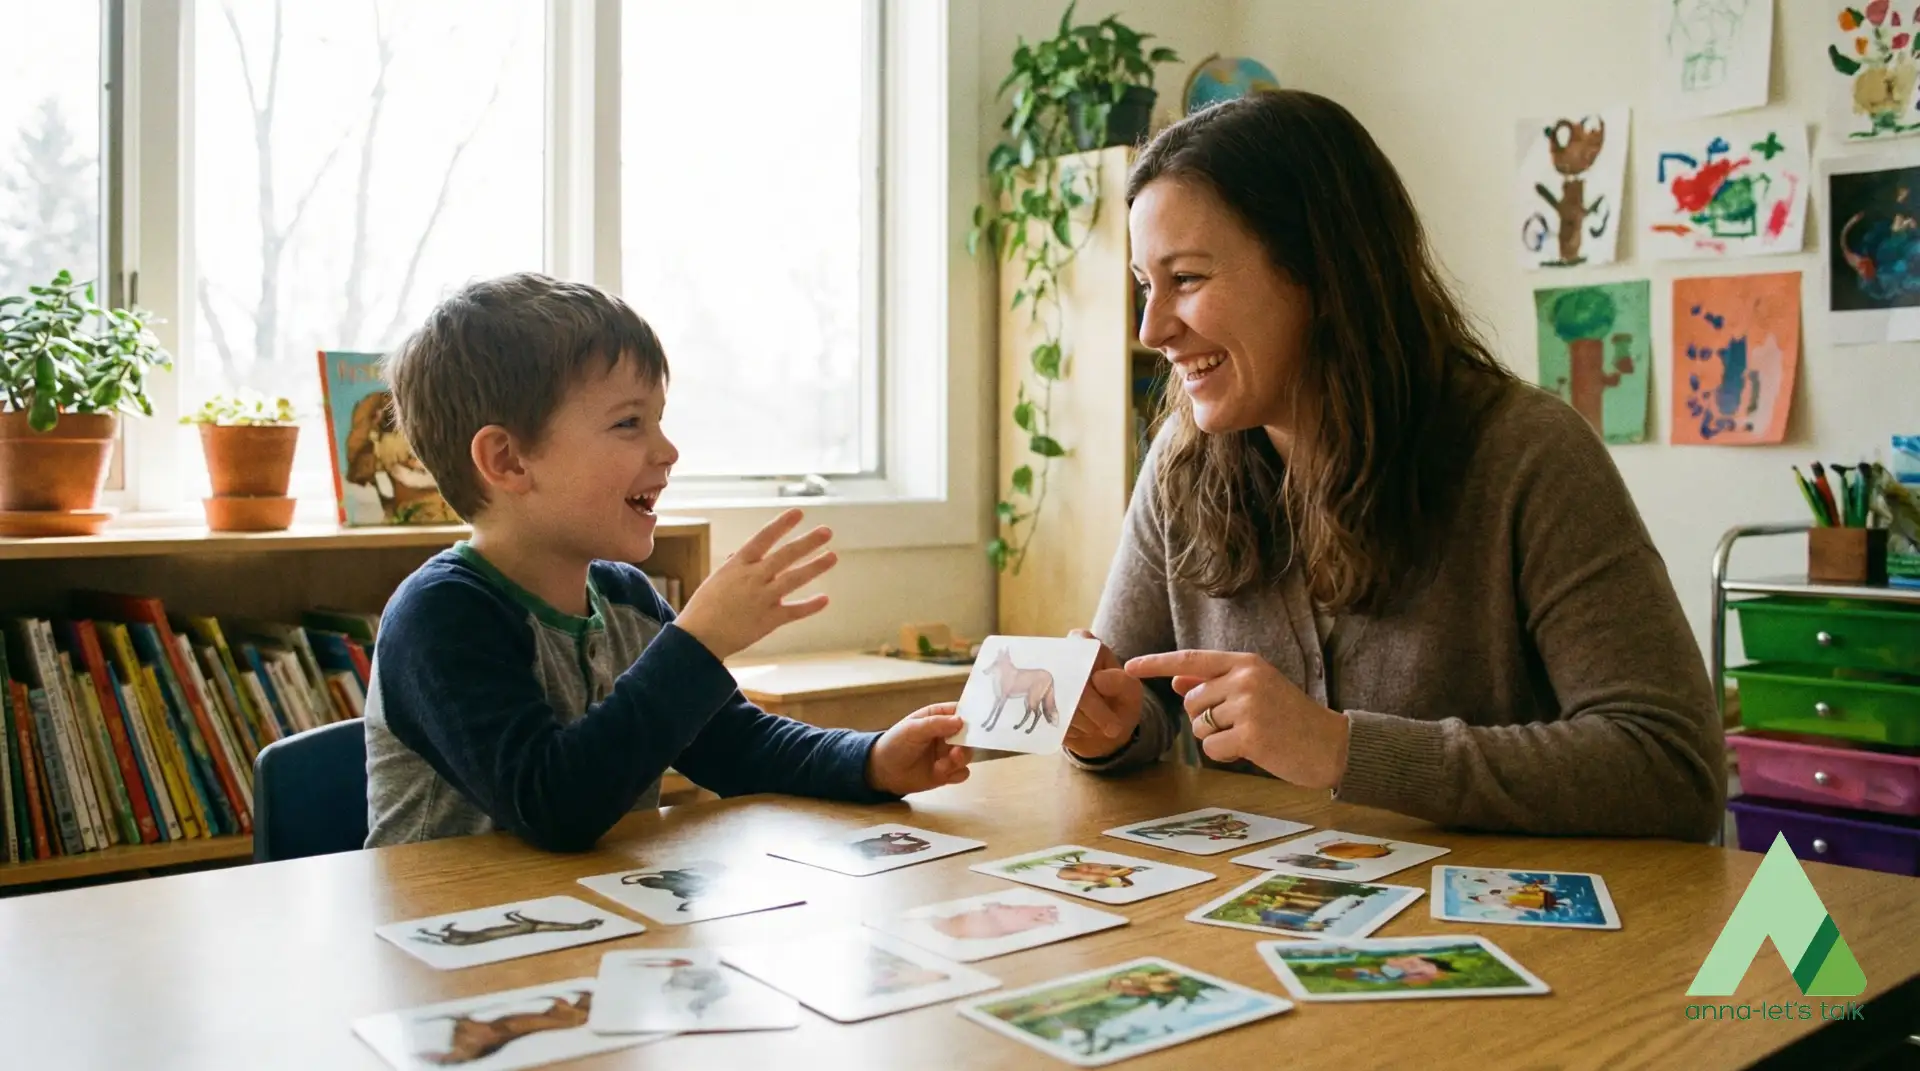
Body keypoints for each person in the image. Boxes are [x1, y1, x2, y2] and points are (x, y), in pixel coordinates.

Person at [1062, 92, 1723, 842]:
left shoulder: (1529, 457)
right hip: (1278, 938)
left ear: (1318, 271)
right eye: (1146, 286)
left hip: (1527, 940)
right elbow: (1141, 706)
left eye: (1186, 279)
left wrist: (1345, 748)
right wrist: (1108, 728)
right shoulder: (1180, 473)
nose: (1153, 330)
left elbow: (1673, 768)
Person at [363, 272, 969, 850]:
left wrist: (870, 762)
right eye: (629, 423)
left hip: (589, 925)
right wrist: (697, 641)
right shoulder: (441, 615)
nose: (669, 450)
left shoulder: (626, 597)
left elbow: (736, 746)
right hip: (444, 938)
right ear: (509, 461)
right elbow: (553, 805)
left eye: (658, 420)